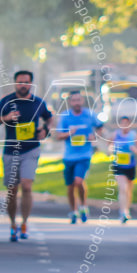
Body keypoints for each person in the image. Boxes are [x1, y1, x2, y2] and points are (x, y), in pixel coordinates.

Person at [0, 70, 53, 241]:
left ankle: (24, 222)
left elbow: (50, 118)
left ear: (31, 84)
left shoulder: (38, 103)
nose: (22, 85)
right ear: (15, 83)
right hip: (11, 151)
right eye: (19, 82)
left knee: (26, 186)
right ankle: (12, 224)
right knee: (12, 190)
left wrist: (45, 130)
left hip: (31, 149)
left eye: (26, 82)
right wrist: (7, 117)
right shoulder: (7, 101)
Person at [54, 89, 103, 224]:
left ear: (82, 101)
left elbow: (100, 127)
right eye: (74, 100)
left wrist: (95, 136)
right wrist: (69, 133)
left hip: (84, 154)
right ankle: (74, 210)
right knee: (70, 186)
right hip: (69, 156)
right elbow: (58, 136)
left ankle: (83, 205)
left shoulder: (89, 114)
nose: (76, 103)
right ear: (70, 102)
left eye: (79, 100)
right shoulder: (65, 116)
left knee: (78, 181)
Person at [111, 116, 137, 223]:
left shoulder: (134, 135)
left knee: (129, 190)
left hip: (130, 166)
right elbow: (109, 146)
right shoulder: (115, 135)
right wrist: (111, 150)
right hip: (119, 165)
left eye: (127, 123)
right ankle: (123, 212)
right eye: (123, 123)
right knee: (123, 188)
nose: (125, 125)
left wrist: (134, 149)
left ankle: (127, 210)